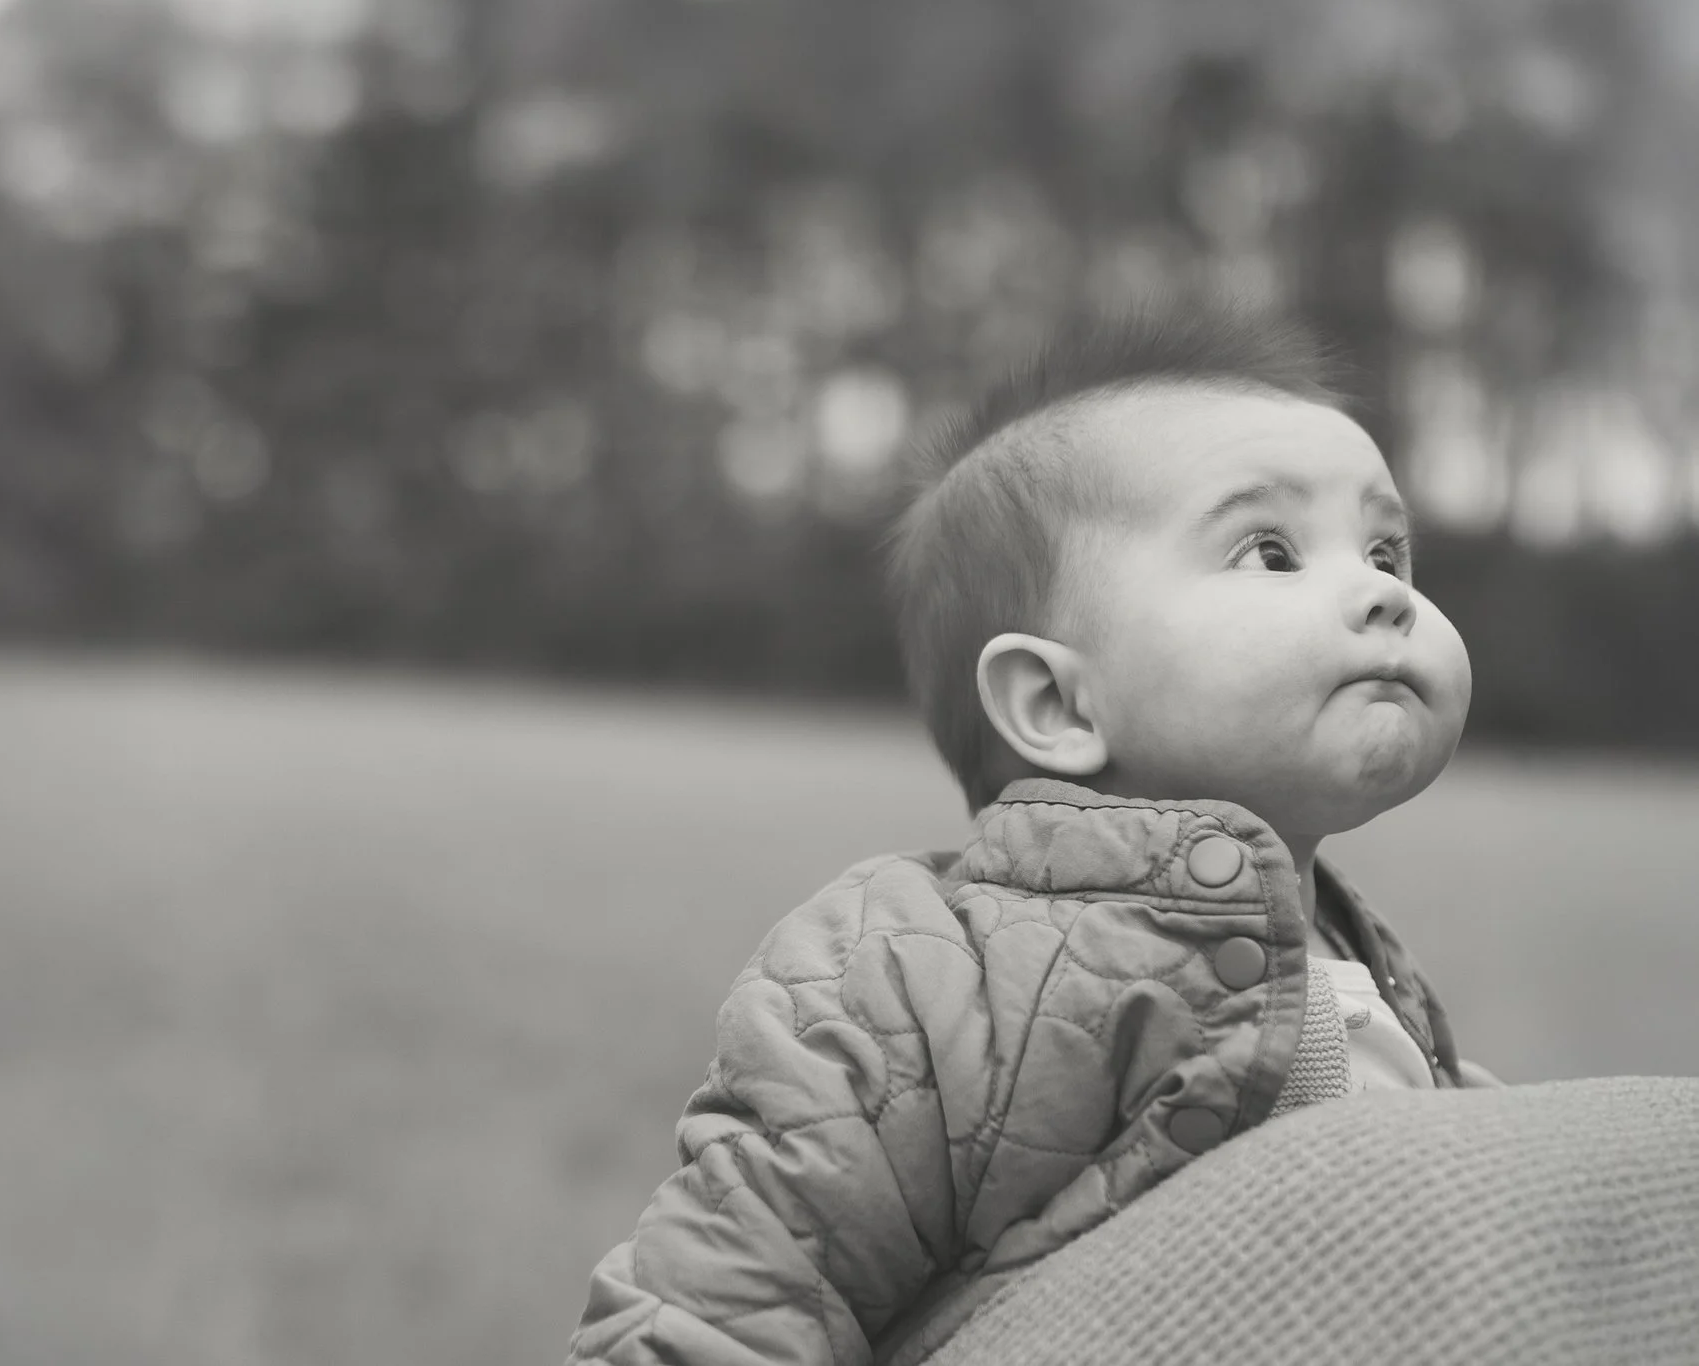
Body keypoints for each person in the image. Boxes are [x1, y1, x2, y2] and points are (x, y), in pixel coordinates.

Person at [564, 305, 1501, 1366]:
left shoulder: (1359, 960)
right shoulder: (917, 977)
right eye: (1271, 550)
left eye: (1388, 550)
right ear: (1055, 704)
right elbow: (732, 1287)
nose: (1380, 592)